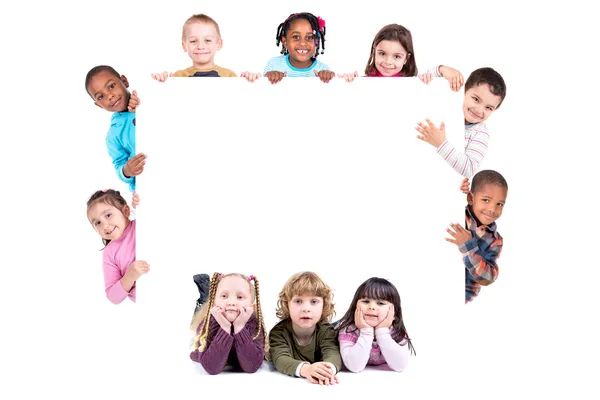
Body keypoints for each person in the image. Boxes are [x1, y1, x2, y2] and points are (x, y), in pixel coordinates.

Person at [416, 67, 507, 178]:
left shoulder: (480, 133)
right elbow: (419, 82)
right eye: (476, 99)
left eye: (488, 108)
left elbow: (469, 169)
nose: (479, 110)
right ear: (464, 91)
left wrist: (440, 143)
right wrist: (443, 70)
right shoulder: (446, 103)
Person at [269, 271, 341, 385]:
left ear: (324, 305)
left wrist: (327, 371)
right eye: (298, 301)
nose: (306, 308)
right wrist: (307, 370)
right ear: (287, 304)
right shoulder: (279, 332)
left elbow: (333, 354)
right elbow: (280, 359)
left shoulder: (326, 331)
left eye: (314, 301)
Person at [446, 170, 508, 303]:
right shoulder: (459, 215)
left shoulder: (495, 240)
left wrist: (469, 247)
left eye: (500, 204)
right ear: (470, 198)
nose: (492, 209)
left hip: (465, 298)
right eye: (486, 200)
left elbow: (488, 277)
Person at [190, 273, 267, 374]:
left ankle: (209, 293)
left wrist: (239, 327)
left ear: (252, 307)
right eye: (224, 296)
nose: (231, 302)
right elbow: (212, 367)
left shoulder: (254, 324)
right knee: (198, 312)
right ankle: (205, 292)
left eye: (239, 297)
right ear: (214, 302)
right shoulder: (208, 323)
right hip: (211, 315)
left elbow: (252, 366)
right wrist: (225, 327)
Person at [85, 66, 146, 192]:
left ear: (124, 81)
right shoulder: (113, 135)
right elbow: (119, 164)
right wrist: (127, 171)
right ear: (98, 105)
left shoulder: (146, 96)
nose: (110, 96)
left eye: (111, 86)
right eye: (101, 97)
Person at [336, 277, 415, 372]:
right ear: (355, 306)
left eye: (380, 303)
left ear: (394, 311)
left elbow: (400, 366)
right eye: (365, 301)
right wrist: (366, 331)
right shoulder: (347, 329)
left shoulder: (396, 330)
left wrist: (382, 331)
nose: (371, 307)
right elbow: (354, 367)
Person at [86, 189, 147, 304]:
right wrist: (130, 275)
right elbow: (113, 297)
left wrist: (140, 202)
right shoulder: (109, 253)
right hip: (147, 304)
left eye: (108, 215)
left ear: (126, 211)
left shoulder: (139, 225)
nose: (105, 225)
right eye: (97, 223)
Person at [152, 14, 237, 81]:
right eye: (193, 41)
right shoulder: (178, 77)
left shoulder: (229, 76)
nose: (200, 46)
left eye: (207, 40)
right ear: (184, 46)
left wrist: (248, 81)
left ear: (219, 44)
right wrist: (161, 81)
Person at [256, 13, 335, 84]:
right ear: (285, 41)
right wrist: (269, 77)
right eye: (296, 37)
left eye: (310, 37)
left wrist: (328, 79)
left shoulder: (323, 69)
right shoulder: (274, 64)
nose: (303, 43)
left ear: (317, 42)